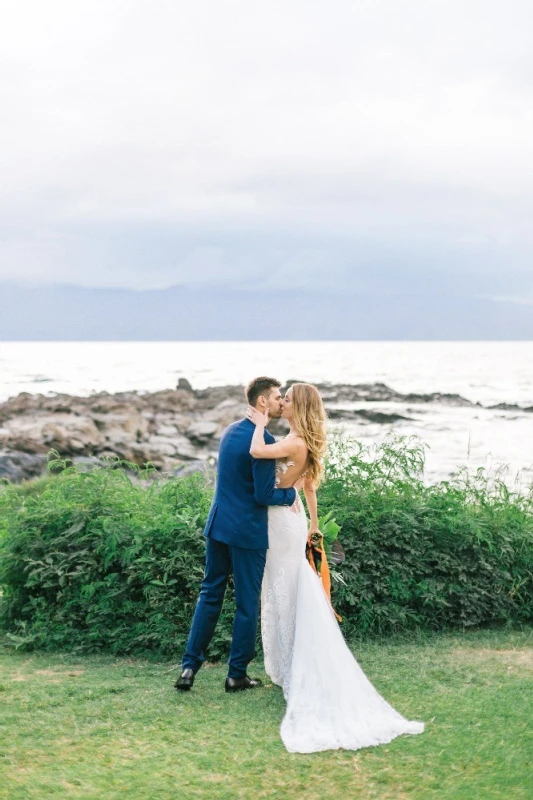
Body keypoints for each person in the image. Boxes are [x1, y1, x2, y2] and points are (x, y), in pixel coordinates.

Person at [247, 382, 425, 753]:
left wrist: (259, 420)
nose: (284, 403)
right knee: (285, 589)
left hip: (280, 523)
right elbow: (308, 486)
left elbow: (257, 450)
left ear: (300, 407)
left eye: (288, 400)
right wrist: (313, 524)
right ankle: (284, 667)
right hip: (290, 521)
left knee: (282, 591)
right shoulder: (300, 439)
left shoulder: (294, 442)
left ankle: (289, 668)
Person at [176, 377, 297, 692]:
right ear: (262, 402)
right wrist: (291, 496)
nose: (280, 401)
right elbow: (263, 495)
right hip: (246, 533)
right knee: (246, 603)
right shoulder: (265, 442)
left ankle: (188, 668)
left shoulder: (230, 432)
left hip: (218, 526)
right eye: (276, 397)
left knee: (210, 594)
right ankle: (236, 674)